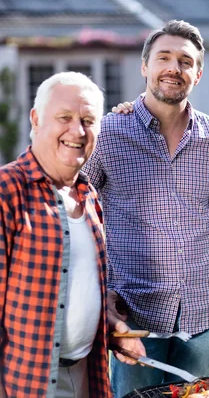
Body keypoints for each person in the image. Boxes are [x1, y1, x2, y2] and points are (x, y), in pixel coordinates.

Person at [82, 20, 209, 397]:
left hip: (201, 308)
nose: (174, 68)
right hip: (134, 311)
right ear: (145, 66)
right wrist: (102, 291)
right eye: (163, 57)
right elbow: (77, 213)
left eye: (185, 61)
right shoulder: (107, 134)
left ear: (198, 74)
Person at [0, 72, 142, 398]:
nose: (77, 131)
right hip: (27, 383)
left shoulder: (88, 195)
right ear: (36, 120)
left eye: (88, 120)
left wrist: (111, 326)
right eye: (64, 117)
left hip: (87, 374)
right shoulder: (7, 191)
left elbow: (76, 289)